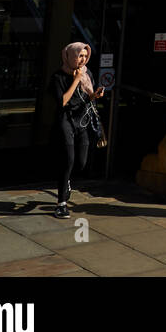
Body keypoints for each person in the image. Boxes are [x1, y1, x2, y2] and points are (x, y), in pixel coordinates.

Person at [49, 42, 105, 219]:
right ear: (70, 56)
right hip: (65, 121)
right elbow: (63, 101)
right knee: (68, 160)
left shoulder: (87, 74)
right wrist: (75, 79)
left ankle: (67, 183)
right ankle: (61, 203)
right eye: (79, 56)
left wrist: (95, 95)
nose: (82, 59)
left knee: (81, 162)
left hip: (82, 121)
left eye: (84, 56)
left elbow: (88, 97)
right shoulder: (58, 77)